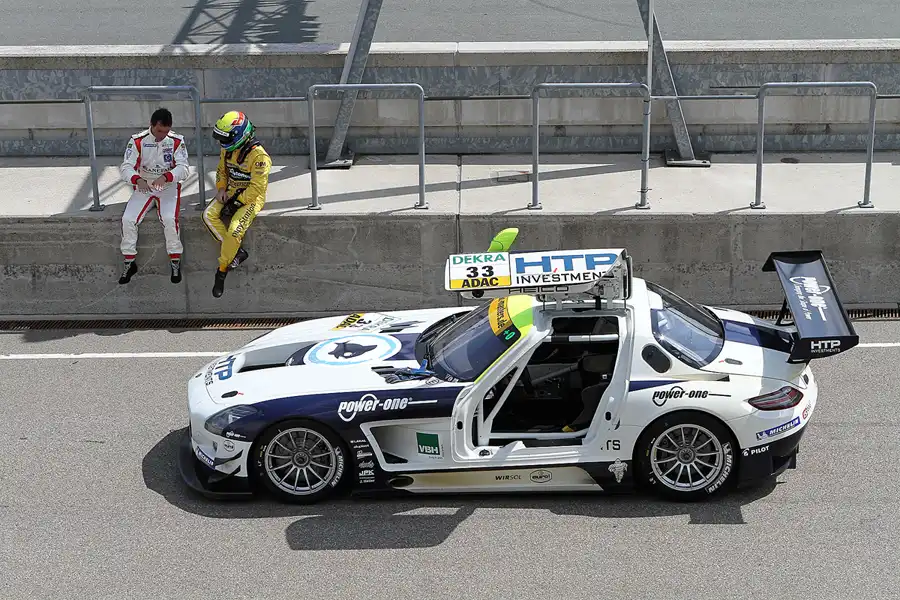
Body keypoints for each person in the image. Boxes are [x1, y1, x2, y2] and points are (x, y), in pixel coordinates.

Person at [202, 110, 272, 298]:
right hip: (230, 191)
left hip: (251, 198)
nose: (221, 144)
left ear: (240, 135)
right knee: (208, 215)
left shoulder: (260, 158)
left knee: (234, 230)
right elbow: (221, 170)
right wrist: (222, 188)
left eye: (224, 138)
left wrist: (237, 203)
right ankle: (237, 252)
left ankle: (222, 270)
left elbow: (257, 189)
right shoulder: (227, 148)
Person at [118, 107, 190, 285]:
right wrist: (137, 179)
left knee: (169, 218)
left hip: (168, 186)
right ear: (151, 125)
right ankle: (129, 262)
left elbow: (184, 168)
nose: (162, 135)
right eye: (159, 131)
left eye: (166, 131)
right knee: (128, 219)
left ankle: (175, 261)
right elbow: (126, 167)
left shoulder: (176, 141)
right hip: (144, 185)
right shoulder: (137, 141)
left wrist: (167, 176)